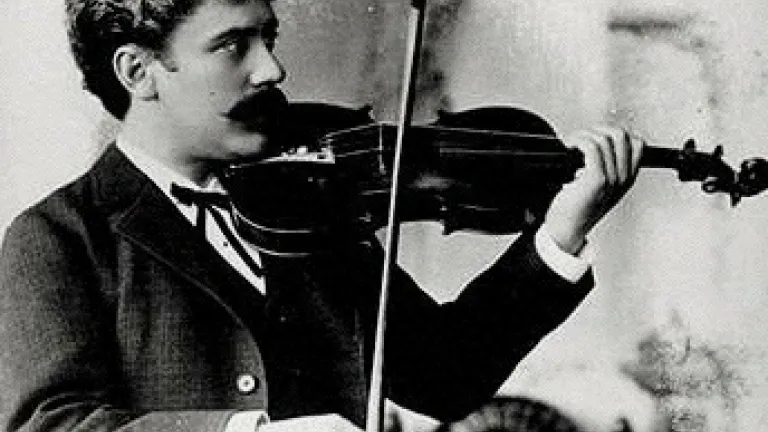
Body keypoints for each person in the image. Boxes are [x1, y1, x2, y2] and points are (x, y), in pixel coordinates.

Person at [0, 0, 645, 431]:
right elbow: (53, 425)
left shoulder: (306, 202)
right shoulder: (59, 238)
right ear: (138, 71)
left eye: (269, 38)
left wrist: (562, 231)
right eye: (233, 45)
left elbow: (445, 376)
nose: (272, 69)